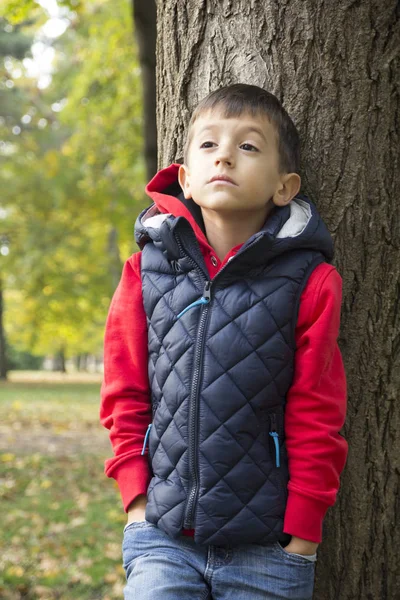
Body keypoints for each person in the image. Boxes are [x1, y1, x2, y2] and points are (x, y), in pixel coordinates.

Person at [100, 83, 348, 600]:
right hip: (163, 538)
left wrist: (302, 534)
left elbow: (317, 410)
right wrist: (136, 502)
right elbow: (124, 391)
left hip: (267, 551)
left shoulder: (311, 281)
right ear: (186, 178)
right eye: (208, 145)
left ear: (285, 187)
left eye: (249, 146)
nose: (226, 157)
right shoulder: (145, 270)